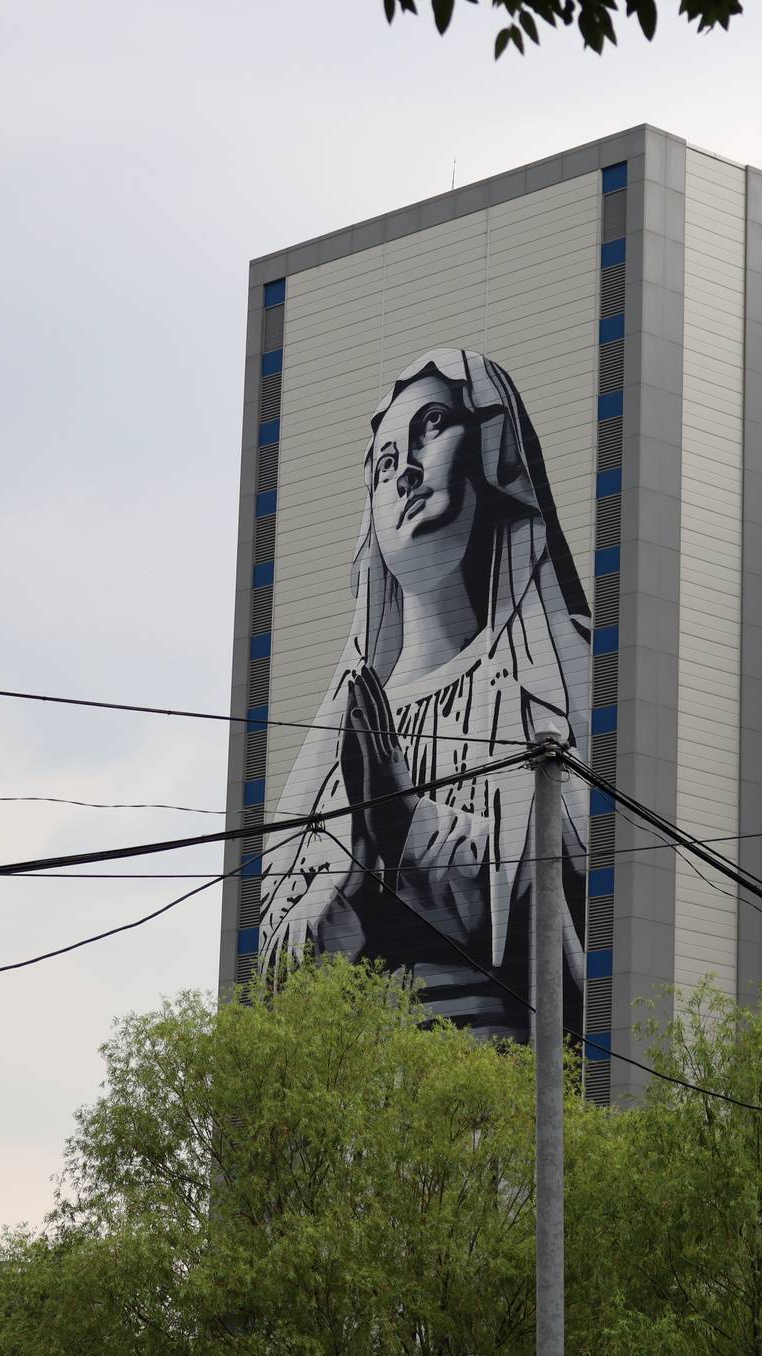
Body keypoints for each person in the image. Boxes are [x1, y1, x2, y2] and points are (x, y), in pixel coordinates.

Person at [256, 348, 589, 1041]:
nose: (405, 468)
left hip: (504, 1106)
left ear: (493, 447)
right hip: (355, 1116)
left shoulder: (555, 676)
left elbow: (572, 910)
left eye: (432, 426)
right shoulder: (340, 735)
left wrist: (409, 823)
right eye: (383, 462)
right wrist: (342, 886)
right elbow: (272, 968)